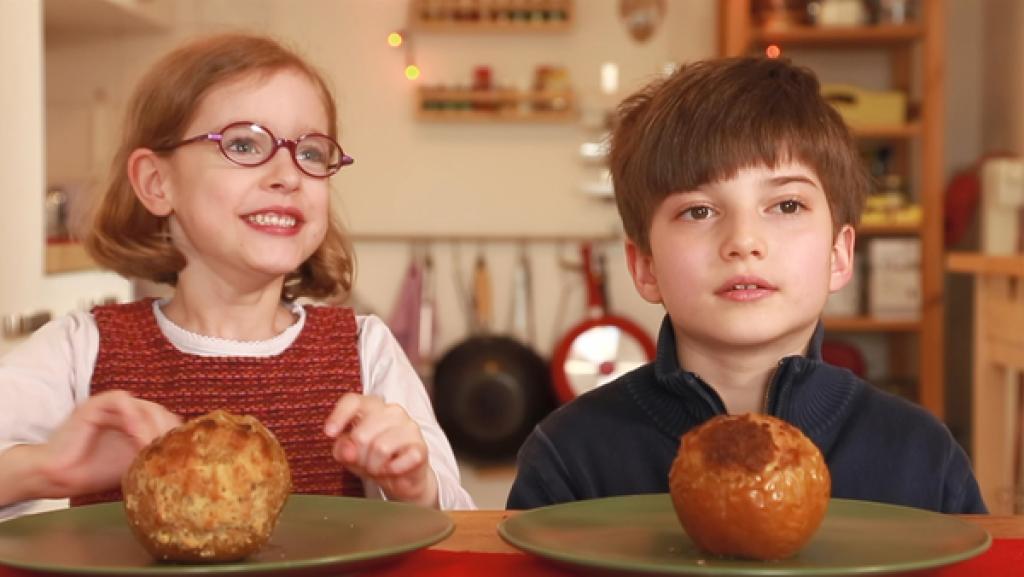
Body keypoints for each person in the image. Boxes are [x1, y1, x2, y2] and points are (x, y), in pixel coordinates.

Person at [0, 33, 474, 520]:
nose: (288, 175)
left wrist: (414, 487)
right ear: (156, 183)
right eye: (244, 144)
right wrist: (43, 468)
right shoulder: (82, 349)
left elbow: (460, 522)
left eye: (310, 152)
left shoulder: (364, 350)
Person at [507, 57, 986, 514]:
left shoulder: (920, 456)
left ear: (839, 255)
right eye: (699, 211)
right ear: (645, 266)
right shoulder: (569, 457)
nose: (743, 242)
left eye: (786, 206)